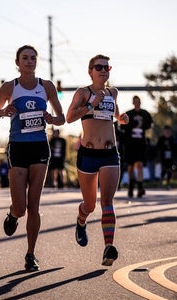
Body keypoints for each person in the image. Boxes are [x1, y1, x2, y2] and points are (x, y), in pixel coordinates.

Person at [0, 45, 65, 271]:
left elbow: (62, 118)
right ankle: (13, 215)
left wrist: (52, 118)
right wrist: (3, 112)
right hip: (18, 148)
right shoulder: (10, 87)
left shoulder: (46, 86)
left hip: (40, 147)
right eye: (25, 58)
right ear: (17, 62)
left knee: (34, 205)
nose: (29, 61)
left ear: (36, 62)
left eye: (33, 58)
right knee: (21, 207)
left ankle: (30, 254)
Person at [66, 54, 129, 266]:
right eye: (98, 67)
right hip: (89, 154)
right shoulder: (84, 92)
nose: (103, 70)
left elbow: (115, 114)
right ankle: (81, 221)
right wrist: (91, 104)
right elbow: (69, 117)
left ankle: (108, 248)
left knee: (107, 202)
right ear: (90, 71)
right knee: (90, 204)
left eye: (106, 67)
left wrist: (121, 118)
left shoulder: (113, 92)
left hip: (110, 154)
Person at [121, 95, 153, 198]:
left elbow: (150, 124)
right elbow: (122, 125)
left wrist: (143, 125)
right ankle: (131, 186)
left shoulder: (145, 113)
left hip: (140, 143)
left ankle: (140, 187)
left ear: (140, 102)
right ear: (133, 102)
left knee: (139, 164)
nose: (137, 103)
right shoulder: (129, 113)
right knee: (130, 166)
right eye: (135, 101)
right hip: (130, 143)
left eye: (138, 101)